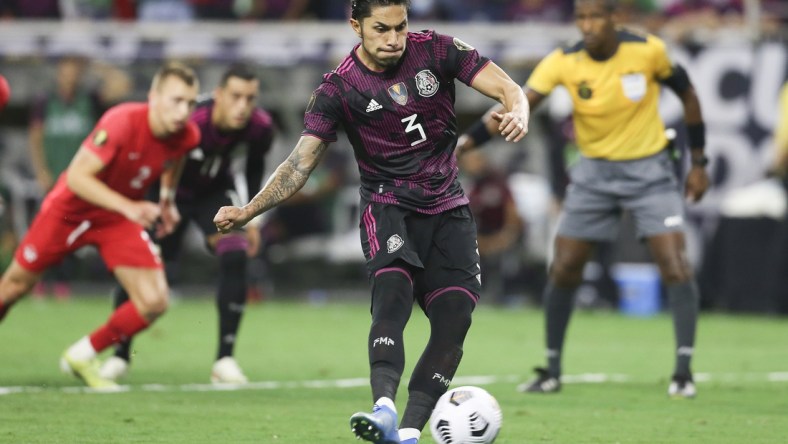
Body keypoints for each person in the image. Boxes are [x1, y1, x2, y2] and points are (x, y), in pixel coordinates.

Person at [213, 1, 530, 442]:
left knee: (455, 317)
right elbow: (300, 164)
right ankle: (382, 406)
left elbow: (509, 88)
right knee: (393, 297)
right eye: (381, 29)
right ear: (355, 26)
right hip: (388, 206)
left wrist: (520, 110)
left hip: (449, 210)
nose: (393, 39)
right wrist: (250, 210)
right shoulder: (339, 88)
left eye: (400, 27)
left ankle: (409, 431)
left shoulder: (437, 51)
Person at [457, 0, 709, 398]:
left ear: (615, 17)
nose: (588, 25)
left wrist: (699, 162)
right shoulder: (563, 61)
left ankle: (683, 370)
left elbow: (689, 96)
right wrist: (467, 141)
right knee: (565, 266)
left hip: (649, 169)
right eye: (581, 18)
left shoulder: (648, 50)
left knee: (674, 263)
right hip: (593, 173)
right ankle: (551, 368)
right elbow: (518, 103)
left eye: (596, 17)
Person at [0, 62, 200, 389]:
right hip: (71, 210)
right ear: (153, 96)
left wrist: (166, 198)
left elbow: (173, 158)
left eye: (190, 104)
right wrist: (131, 206)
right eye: (176, 101)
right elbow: (78, 177)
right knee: (13, 287)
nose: (183, 111)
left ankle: (82, 354)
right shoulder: (121, 121)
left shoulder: (186, 135)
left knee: (154, 301)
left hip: (115, 218)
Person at [99, 63, 275, 385]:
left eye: (250, 98)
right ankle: (119, 356)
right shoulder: (193, 120)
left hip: (212, 193)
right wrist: (155, 203)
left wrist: (251, 217)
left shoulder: (260, 127)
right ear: (219, 95)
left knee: (235, 253)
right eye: (236, 96)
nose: (243, 106)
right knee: (140, 270)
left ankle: (224, 360)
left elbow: (254, 167)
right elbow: (159, 157)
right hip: (168, 193)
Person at [28, 55, 131, 300]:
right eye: (65, 68)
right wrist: (41, 170)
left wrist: (97, 65)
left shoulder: (90, 99)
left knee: (74, 230)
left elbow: (122, 84)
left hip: (83, 180)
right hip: (54, 178)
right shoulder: (46, 101)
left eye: (75, 69)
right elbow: (35, 137)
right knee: (46, 229)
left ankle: (65, 281)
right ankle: (41, 280)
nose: (70, 74)